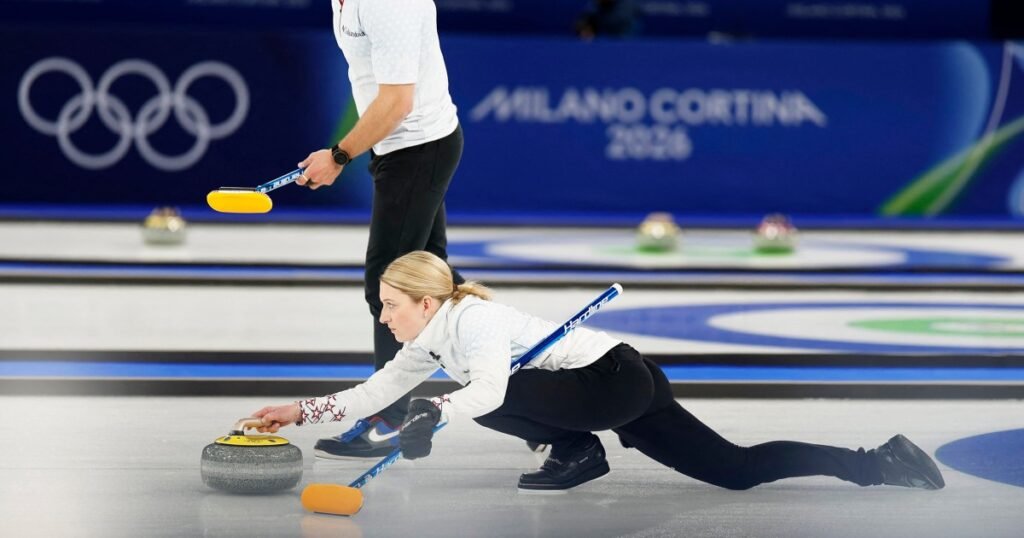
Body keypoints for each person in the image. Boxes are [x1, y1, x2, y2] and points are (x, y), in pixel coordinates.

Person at [252, 251, 946, 493]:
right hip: (616, 386)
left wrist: (434, 414)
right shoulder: (431, 342)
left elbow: (491, 393)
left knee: (480, 397)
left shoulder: (475, 324)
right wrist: (300, 410)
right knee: (736, 470)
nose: (385, 317)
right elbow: (378, 390)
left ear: (426, 302)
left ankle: (577, 448)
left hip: (611, 381)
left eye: (391, 306)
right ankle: (877, 463)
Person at [294, 0, 465, 459]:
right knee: (441, 295)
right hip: (401, 149)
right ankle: (529, 391)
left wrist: (338, 156)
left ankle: (389, 419)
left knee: (390, 288)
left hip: (418, 149)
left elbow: (396, 100)